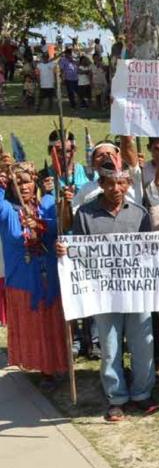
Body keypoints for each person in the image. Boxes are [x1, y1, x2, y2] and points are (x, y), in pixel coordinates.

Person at [58, 149, 159, 421]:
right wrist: (65, 250)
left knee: (143, 344)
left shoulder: (140, 214)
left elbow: (149, 251)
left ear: (128, 184)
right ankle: (116, 397)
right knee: (110, 347)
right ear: (101, 184)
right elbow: (78, 249)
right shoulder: (85, 214)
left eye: (122, 183)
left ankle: (142, 393)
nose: (116, 189)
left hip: (137, 292)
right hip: (103, 293)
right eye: (110, 183)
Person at [0, 160, 68, 388]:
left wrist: (42, 223)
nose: (23, 187)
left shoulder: (46, 204)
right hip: (23, 281)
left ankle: (57, 364)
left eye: (27, 182)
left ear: (35, 183)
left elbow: (62, 225)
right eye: (18, 182)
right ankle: (44, 369)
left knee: (51, 324)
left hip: (50, 278)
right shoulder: (8, 210)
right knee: (35, 326)